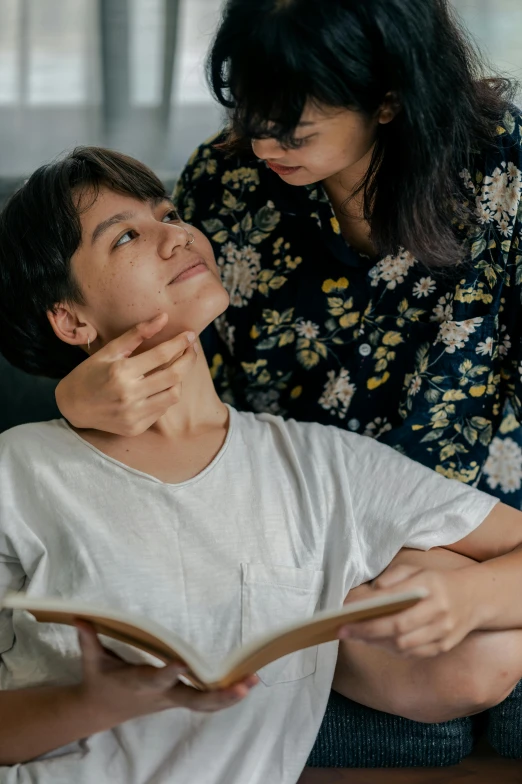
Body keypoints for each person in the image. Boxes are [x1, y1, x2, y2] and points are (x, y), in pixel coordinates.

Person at [50, 0, 522, 763]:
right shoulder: (227, 178)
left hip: (454, 515)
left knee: (478, 651)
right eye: (247, 108)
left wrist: (473, 592)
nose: (260, 140)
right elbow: (148, 327)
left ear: (389, 99)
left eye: (293, 126)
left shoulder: (503, 172)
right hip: (286, 508)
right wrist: (77, 398)